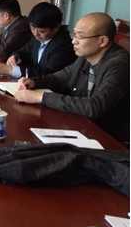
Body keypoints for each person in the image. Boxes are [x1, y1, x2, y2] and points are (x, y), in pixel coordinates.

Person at [14, 13, 130, 143]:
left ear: (102, 41)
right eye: (74, 34)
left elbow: (95, 107)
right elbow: (60, 78)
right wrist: (33, 82)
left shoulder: (119, 65)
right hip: (82, 125)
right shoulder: (86, 56)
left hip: (108, 138)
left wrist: (41, 97)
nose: (74, 41)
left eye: (80, 36)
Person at [0, 2, 76, 77]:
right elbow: (24, 51)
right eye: (32, 28)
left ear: (56, 27)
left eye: (41, 31)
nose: (35, 33)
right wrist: (16, 56)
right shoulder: (37, 37)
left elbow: (49, 74)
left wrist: (11, 70)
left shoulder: (64, 43)